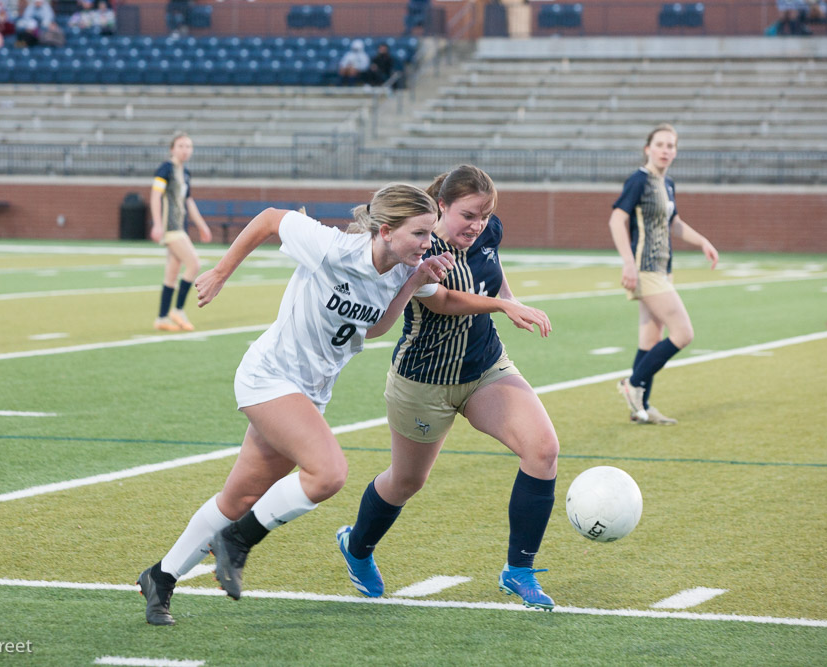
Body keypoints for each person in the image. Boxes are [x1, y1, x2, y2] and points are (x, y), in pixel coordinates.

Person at [135, 183, 457, 625]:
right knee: (328, 474)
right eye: (420, 233)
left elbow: (376, 327)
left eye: (430, 234)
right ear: (385, 230)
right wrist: (222, 271)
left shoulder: (405, 268)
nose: (428, 243)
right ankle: (238, 542)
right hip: (270, 377)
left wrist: (417, 279)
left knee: (239, 496)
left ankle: (161, 576)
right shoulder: (333, 247)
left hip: (309, 393)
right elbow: (269, 218)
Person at [335, 164, 560, 610]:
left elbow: (494, 268)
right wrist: (499, 305)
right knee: (406, 481)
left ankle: (519, 570)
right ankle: (357, 546)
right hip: (424, 381)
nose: (477, 226)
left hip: (485, 369)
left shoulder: (488, 229)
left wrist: (509, 300)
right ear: (441, 207)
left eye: (484, 215)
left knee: (543, 450)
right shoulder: (417, 247)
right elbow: (445, 301)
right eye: (468, 215)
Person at [608, 124, 719, 425]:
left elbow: (675, 223)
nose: (666, 150)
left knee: (650, 338)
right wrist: (628, 263)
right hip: (645, 269)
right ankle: (632, 385)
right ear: (648, 148)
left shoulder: (667, 183)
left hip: (662, 270)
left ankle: (641, 408)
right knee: (683, 333)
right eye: (660, 144)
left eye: (671, 145)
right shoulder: (639, 180)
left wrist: (703, 242)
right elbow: (617, 220)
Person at [149, 133, 213, 332]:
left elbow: (188, 201)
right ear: (172, 149)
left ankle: (161, 318)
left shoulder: (185, 173)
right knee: (194, 264)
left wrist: (201, 225)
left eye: (188, 146)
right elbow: (155, 196)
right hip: (172, 229)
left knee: (172, 273)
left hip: (180, 228)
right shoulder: (166, 169)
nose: (185, 150)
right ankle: (177, 310)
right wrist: (157, 223)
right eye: (181, 146)